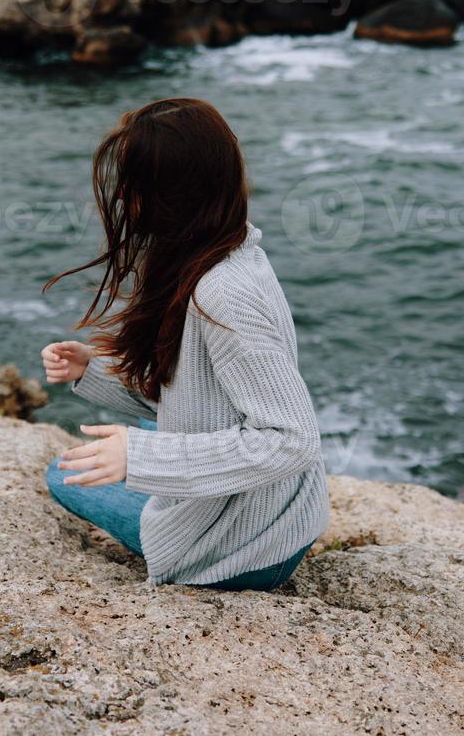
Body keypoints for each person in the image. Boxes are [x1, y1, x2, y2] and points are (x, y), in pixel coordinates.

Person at [40, 97, 329, 590]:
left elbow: (292, 439)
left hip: (247, 550)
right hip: (263, 518)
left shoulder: (223, 293)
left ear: (166, 195)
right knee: (68, 470)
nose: (122, 201)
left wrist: (144, 457)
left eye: (133, 186)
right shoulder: (225, 252)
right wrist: (93, 370)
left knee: (62, 475)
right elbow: (199, 401)